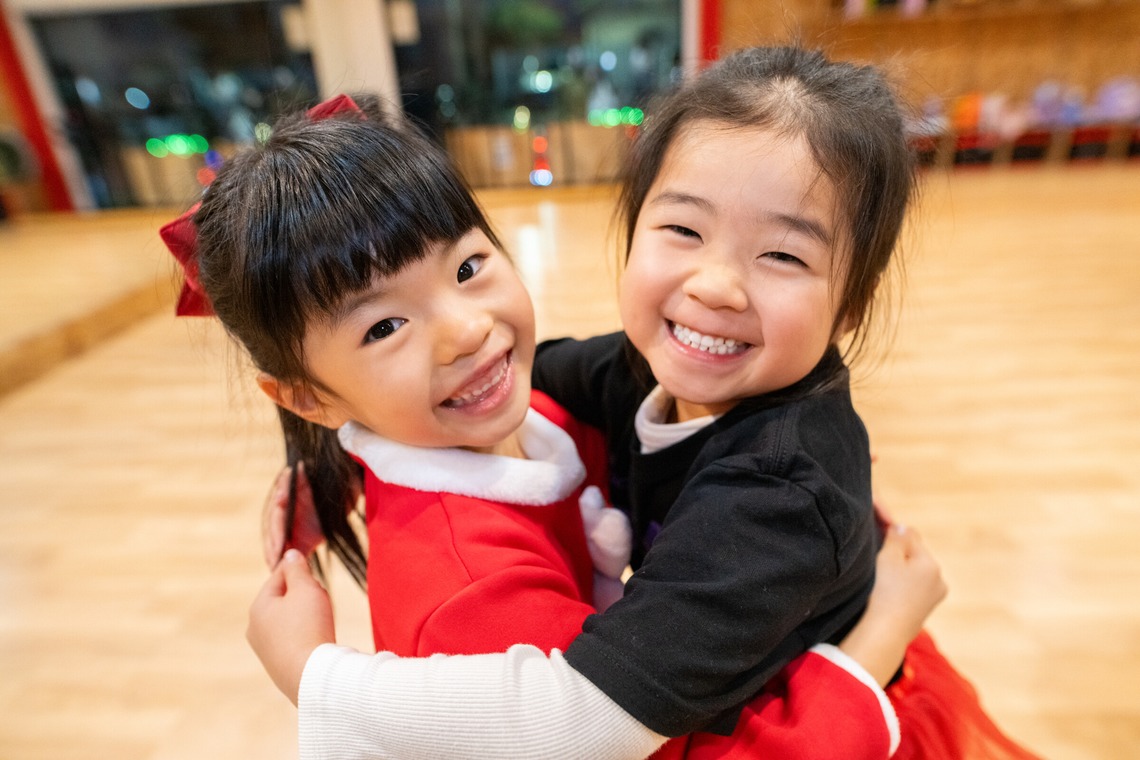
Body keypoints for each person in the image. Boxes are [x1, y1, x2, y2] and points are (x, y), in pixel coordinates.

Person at [164, 87, 948, 759]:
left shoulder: (524, 407)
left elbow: (564, 369)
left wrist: (328, 460)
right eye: (382, 328)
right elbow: (590, 729)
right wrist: (878, 641)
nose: (468, 332)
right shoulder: (472, 595)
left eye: (469, 269)